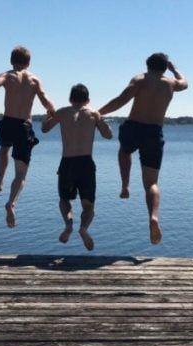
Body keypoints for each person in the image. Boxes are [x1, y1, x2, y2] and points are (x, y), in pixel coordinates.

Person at [99, 53, 188, 245]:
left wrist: (98, 113)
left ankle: (125, 186)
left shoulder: (140, 79)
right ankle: (153, 217)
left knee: (124, 151)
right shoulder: (170, 84)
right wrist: (174, 68)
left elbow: (121, 100)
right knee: (151, 183)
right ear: (165, 67)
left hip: (134, 127)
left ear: (147, 65)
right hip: (154, 132)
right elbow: (185, 82)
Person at [0, 46, 55, 228]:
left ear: (11, 60)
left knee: (4, 148)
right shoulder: (34, 80)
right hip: (24, 125)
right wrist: (52, 114)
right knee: (20, 173)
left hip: (7, 122)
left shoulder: (7, 75)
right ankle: (12, 202)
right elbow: (46, 101)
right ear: (29, 62)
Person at [42, 84, 112, 251]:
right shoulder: (93, 114)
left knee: (65, 200)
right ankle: (83, 228)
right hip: (86, 164)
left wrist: (48, 116)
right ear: (87, 100)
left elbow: (44, 129)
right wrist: (101, 120)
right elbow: (108, 135)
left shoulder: (62, 112)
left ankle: (68, 225)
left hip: (67, 163)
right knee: (88, 206)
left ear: (70, 99)